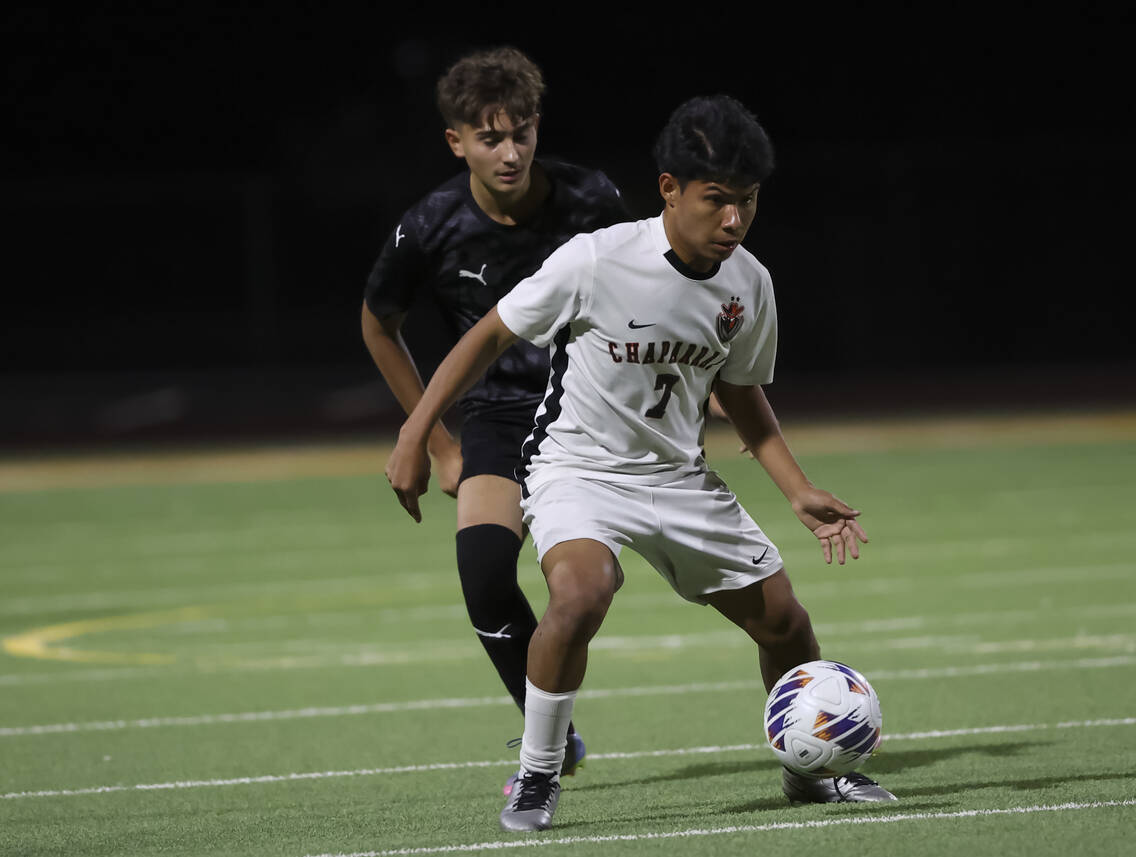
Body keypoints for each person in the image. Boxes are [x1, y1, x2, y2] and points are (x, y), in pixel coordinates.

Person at [385, 94, 896, 833]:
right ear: (669, 189)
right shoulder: (596, 259)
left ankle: (808, 772)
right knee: (582, 593)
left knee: (786, 622)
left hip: (676, 477)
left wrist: (797, 488)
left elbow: (740, 391)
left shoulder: (749, 283)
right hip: (578, 469)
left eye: (747, 203)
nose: (732, 220)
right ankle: (537, 772)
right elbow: (489, 336)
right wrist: (417, 432)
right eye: (716, 200)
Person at [361, 46, 630, 787]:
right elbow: (378, 323)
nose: (509, 153)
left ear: (538, 127)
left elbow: (648, 286)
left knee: (602, 582)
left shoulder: (592, 200)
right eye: (489, 138)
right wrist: (438, 440)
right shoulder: (433, 225)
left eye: (522, 133)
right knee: (483, 575)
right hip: (501, 418)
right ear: (456, 141)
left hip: (593, 413)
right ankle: (550, 730)